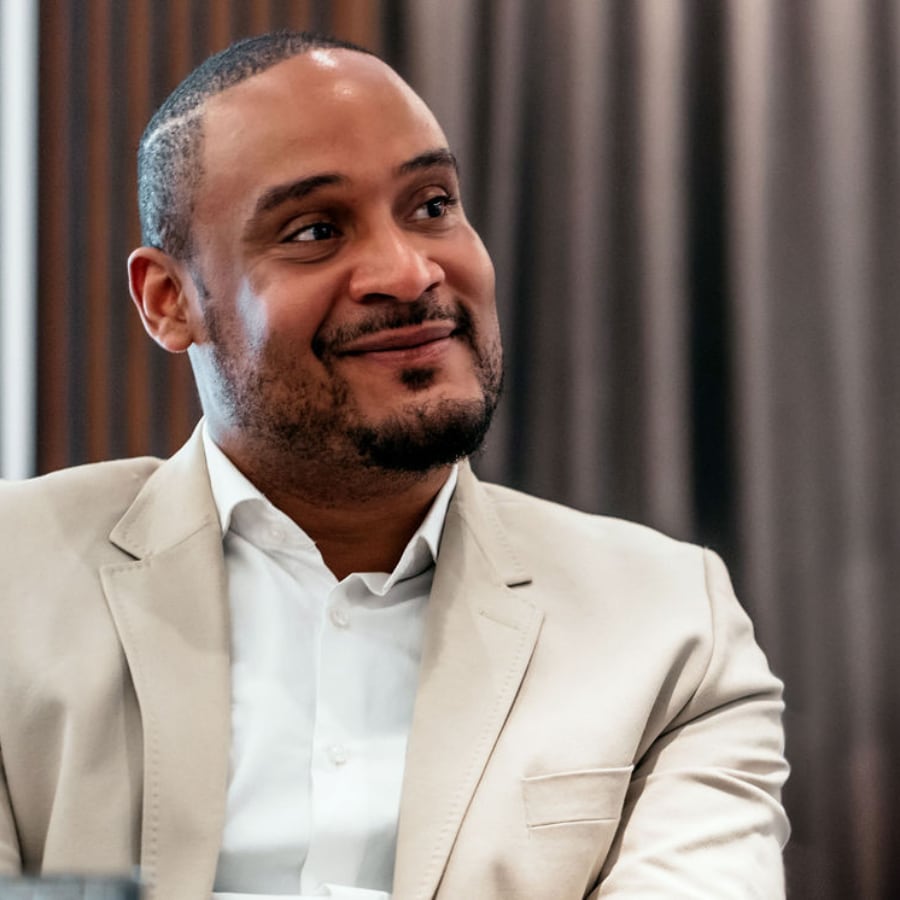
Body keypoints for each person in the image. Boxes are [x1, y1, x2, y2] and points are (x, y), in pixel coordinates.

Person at [0, 31, 789, 900]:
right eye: (314, 230)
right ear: (169, 300)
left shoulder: (670, 627)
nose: (409, 273)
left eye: (432, 204)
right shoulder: (13, 578)